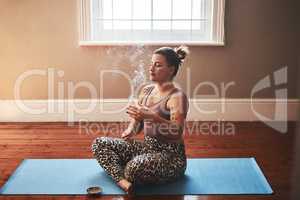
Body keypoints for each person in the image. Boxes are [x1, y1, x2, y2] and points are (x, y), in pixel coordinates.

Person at [91, 46, 189, 194]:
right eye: (151, 63)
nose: (151, 68)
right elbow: (138, 123)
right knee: (99, 144)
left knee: (133, 169)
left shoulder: (177, 97)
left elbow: (177, 131)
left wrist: (151, 116)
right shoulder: (146, 91)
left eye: (158, 65)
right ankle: (121, 180)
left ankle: (123, 171)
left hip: (171, 157)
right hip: (147, 148)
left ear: (171, 69)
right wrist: (131, 129)